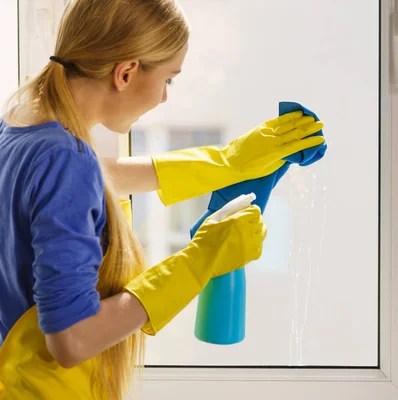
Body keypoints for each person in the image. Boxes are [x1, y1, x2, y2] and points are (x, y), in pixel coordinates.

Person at [0, 0, 325, 399]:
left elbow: (94, 181)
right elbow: (72, 341)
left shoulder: (21, 123)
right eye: (169, 80)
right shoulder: (67, 160)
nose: (164, 98)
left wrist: (228, 161)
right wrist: (198, 261)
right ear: (126, 73)